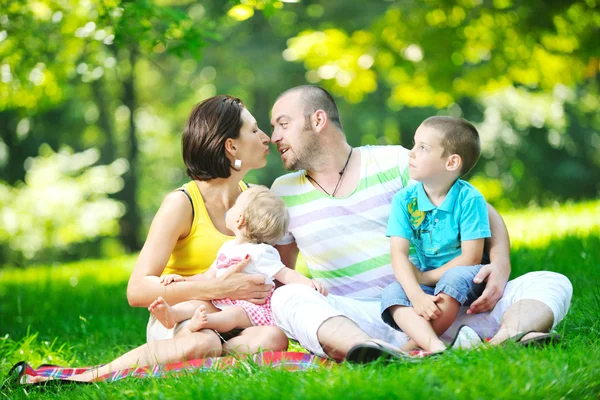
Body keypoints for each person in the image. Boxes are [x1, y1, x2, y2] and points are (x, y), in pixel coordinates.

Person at [269, 85, 572, 362]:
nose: (275, 137)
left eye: (283, 124)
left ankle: (502, 341)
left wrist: (501, 264)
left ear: (318, 120)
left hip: (439, 305)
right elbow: (281, 272)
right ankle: (372, 350)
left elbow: (483, 211)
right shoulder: (282, 192)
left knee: (551, 281)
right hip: (358, 319)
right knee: (287, 298)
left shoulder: (394, 163)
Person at [26, 95, 288, 383]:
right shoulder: (183, 203)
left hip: (235, 318)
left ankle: (208, 358)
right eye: (254, 130)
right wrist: (219, 287)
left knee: (273, 339)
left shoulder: (255, 201)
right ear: (231, 146)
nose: (266, 138)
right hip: (181, 317)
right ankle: (90, 377)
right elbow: (137, 290)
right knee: (204, 342)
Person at [147, 186, 327, 334]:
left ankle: (206, 323)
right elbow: (208, 277)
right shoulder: (227, 248)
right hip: (222, 302)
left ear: (239, 219)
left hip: (249, 309)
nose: (229, 210)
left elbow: (285, 273)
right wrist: (183, 279)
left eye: (234, 207)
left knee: (234, 314)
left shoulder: (261, 252)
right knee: (196, 304)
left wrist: (308, 284)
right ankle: (173, 314)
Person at [381, 116, 490, 353]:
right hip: (428, 280)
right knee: (392, 293)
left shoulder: (470, 199)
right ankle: (434, 345)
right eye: (414, 144)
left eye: (422, 148)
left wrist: (423, 279)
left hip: (466, 277)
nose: (411, 153)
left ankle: (410, 347)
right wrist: (415, 294)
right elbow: (398, 255)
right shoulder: (404, 200)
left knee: (454, 279)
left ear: (451, 163)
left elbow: (471, 258)